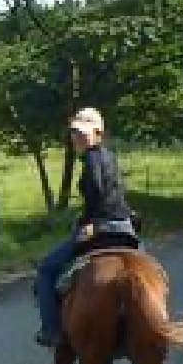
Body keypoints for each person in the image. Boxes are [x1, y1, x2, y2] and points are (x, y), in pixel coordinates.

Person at [33, 106, 140, 347]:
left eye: (83, 133)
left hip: (101, 228)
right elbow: (115, 193)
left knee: (46, 270)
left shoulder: (91, 158)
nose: (77, 138)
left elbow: (98, 192)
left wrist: (88, 221)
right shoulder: (110, 157)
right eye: (74, 133)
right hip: (124, 226)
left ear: (98, 133)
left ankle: (51, 330)